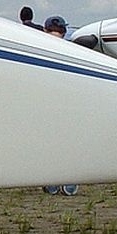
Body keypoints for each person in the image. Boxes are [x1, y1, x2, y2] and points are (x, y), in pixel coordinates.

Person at [40, 19, 78, 195]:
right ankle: (69, 181)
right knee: (69, 142)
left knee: (48, 142)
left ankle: (50, 180)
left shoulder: (39, 47)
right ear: (63, 31)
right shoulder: (71, 50)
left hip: (46, 103)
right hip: (68, 103)